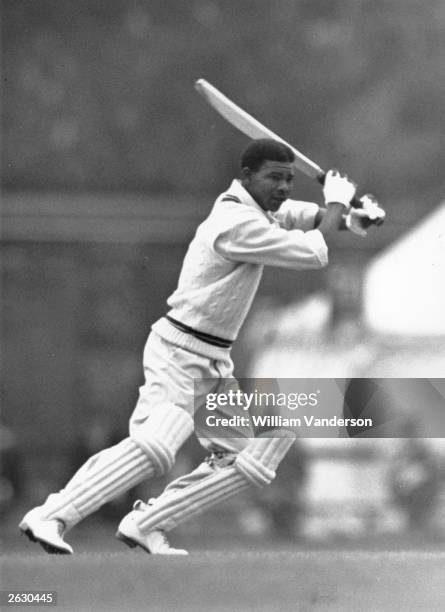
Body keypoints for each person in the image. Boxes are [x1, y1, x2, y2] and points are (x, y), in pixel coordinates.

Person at [19, 138, 381, 555]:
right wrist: (336, 201)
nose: (283, 187)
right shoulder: (235, 223)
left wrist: (350, 216)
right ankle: (53, 514)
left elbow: (303, 216)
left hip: (212, 362)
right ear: (246, 177)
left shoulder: (258, 210)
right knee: (160, 441)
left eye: (288, 179)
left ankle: (148, 522)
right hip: (178, 352)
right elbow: (312, 251)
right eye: (273, 177)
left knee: (257, 454)